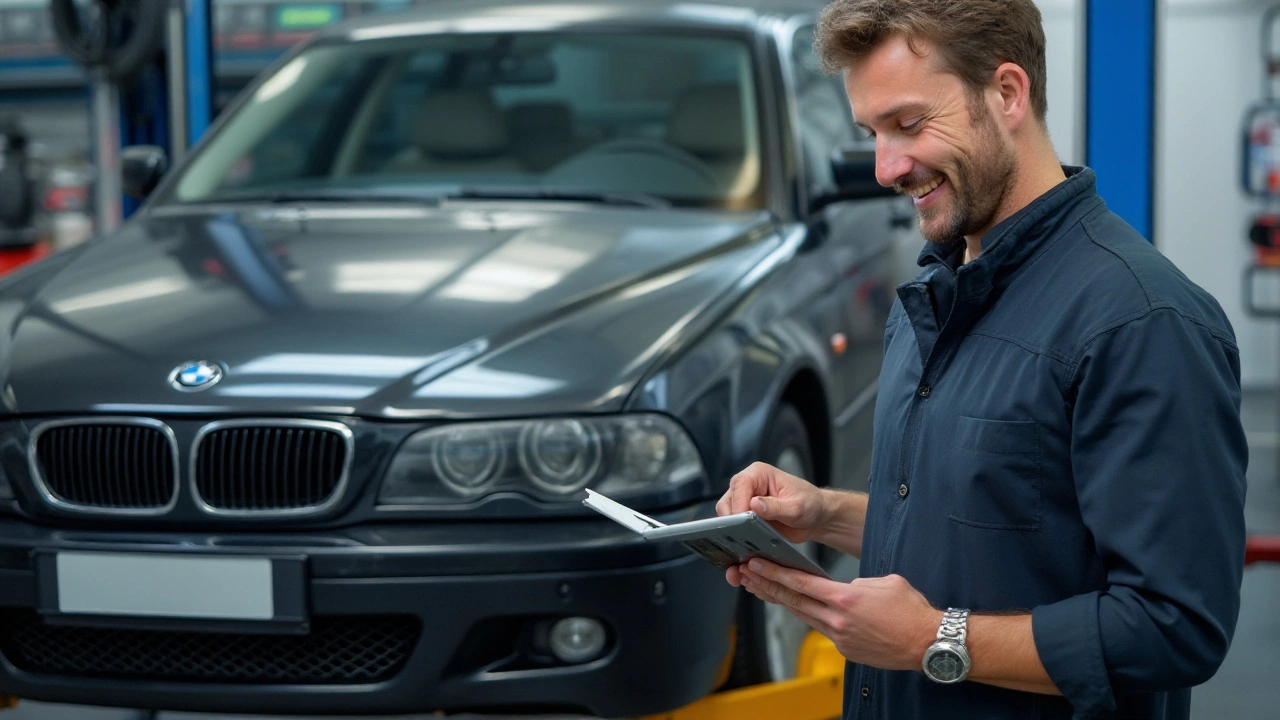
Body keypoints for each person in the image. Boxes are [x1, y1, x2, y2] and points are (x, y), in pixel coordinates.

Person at [716, 1, 1248, 718]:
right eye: (872, 133)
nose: (885, 167)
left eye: (909, 124)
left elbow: (1174, 627)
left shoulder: (1141, 322)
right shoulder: (937, 292)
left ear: (1007, 94)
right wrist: (824, 514)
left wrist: (932, 639)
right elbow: (981, 524)